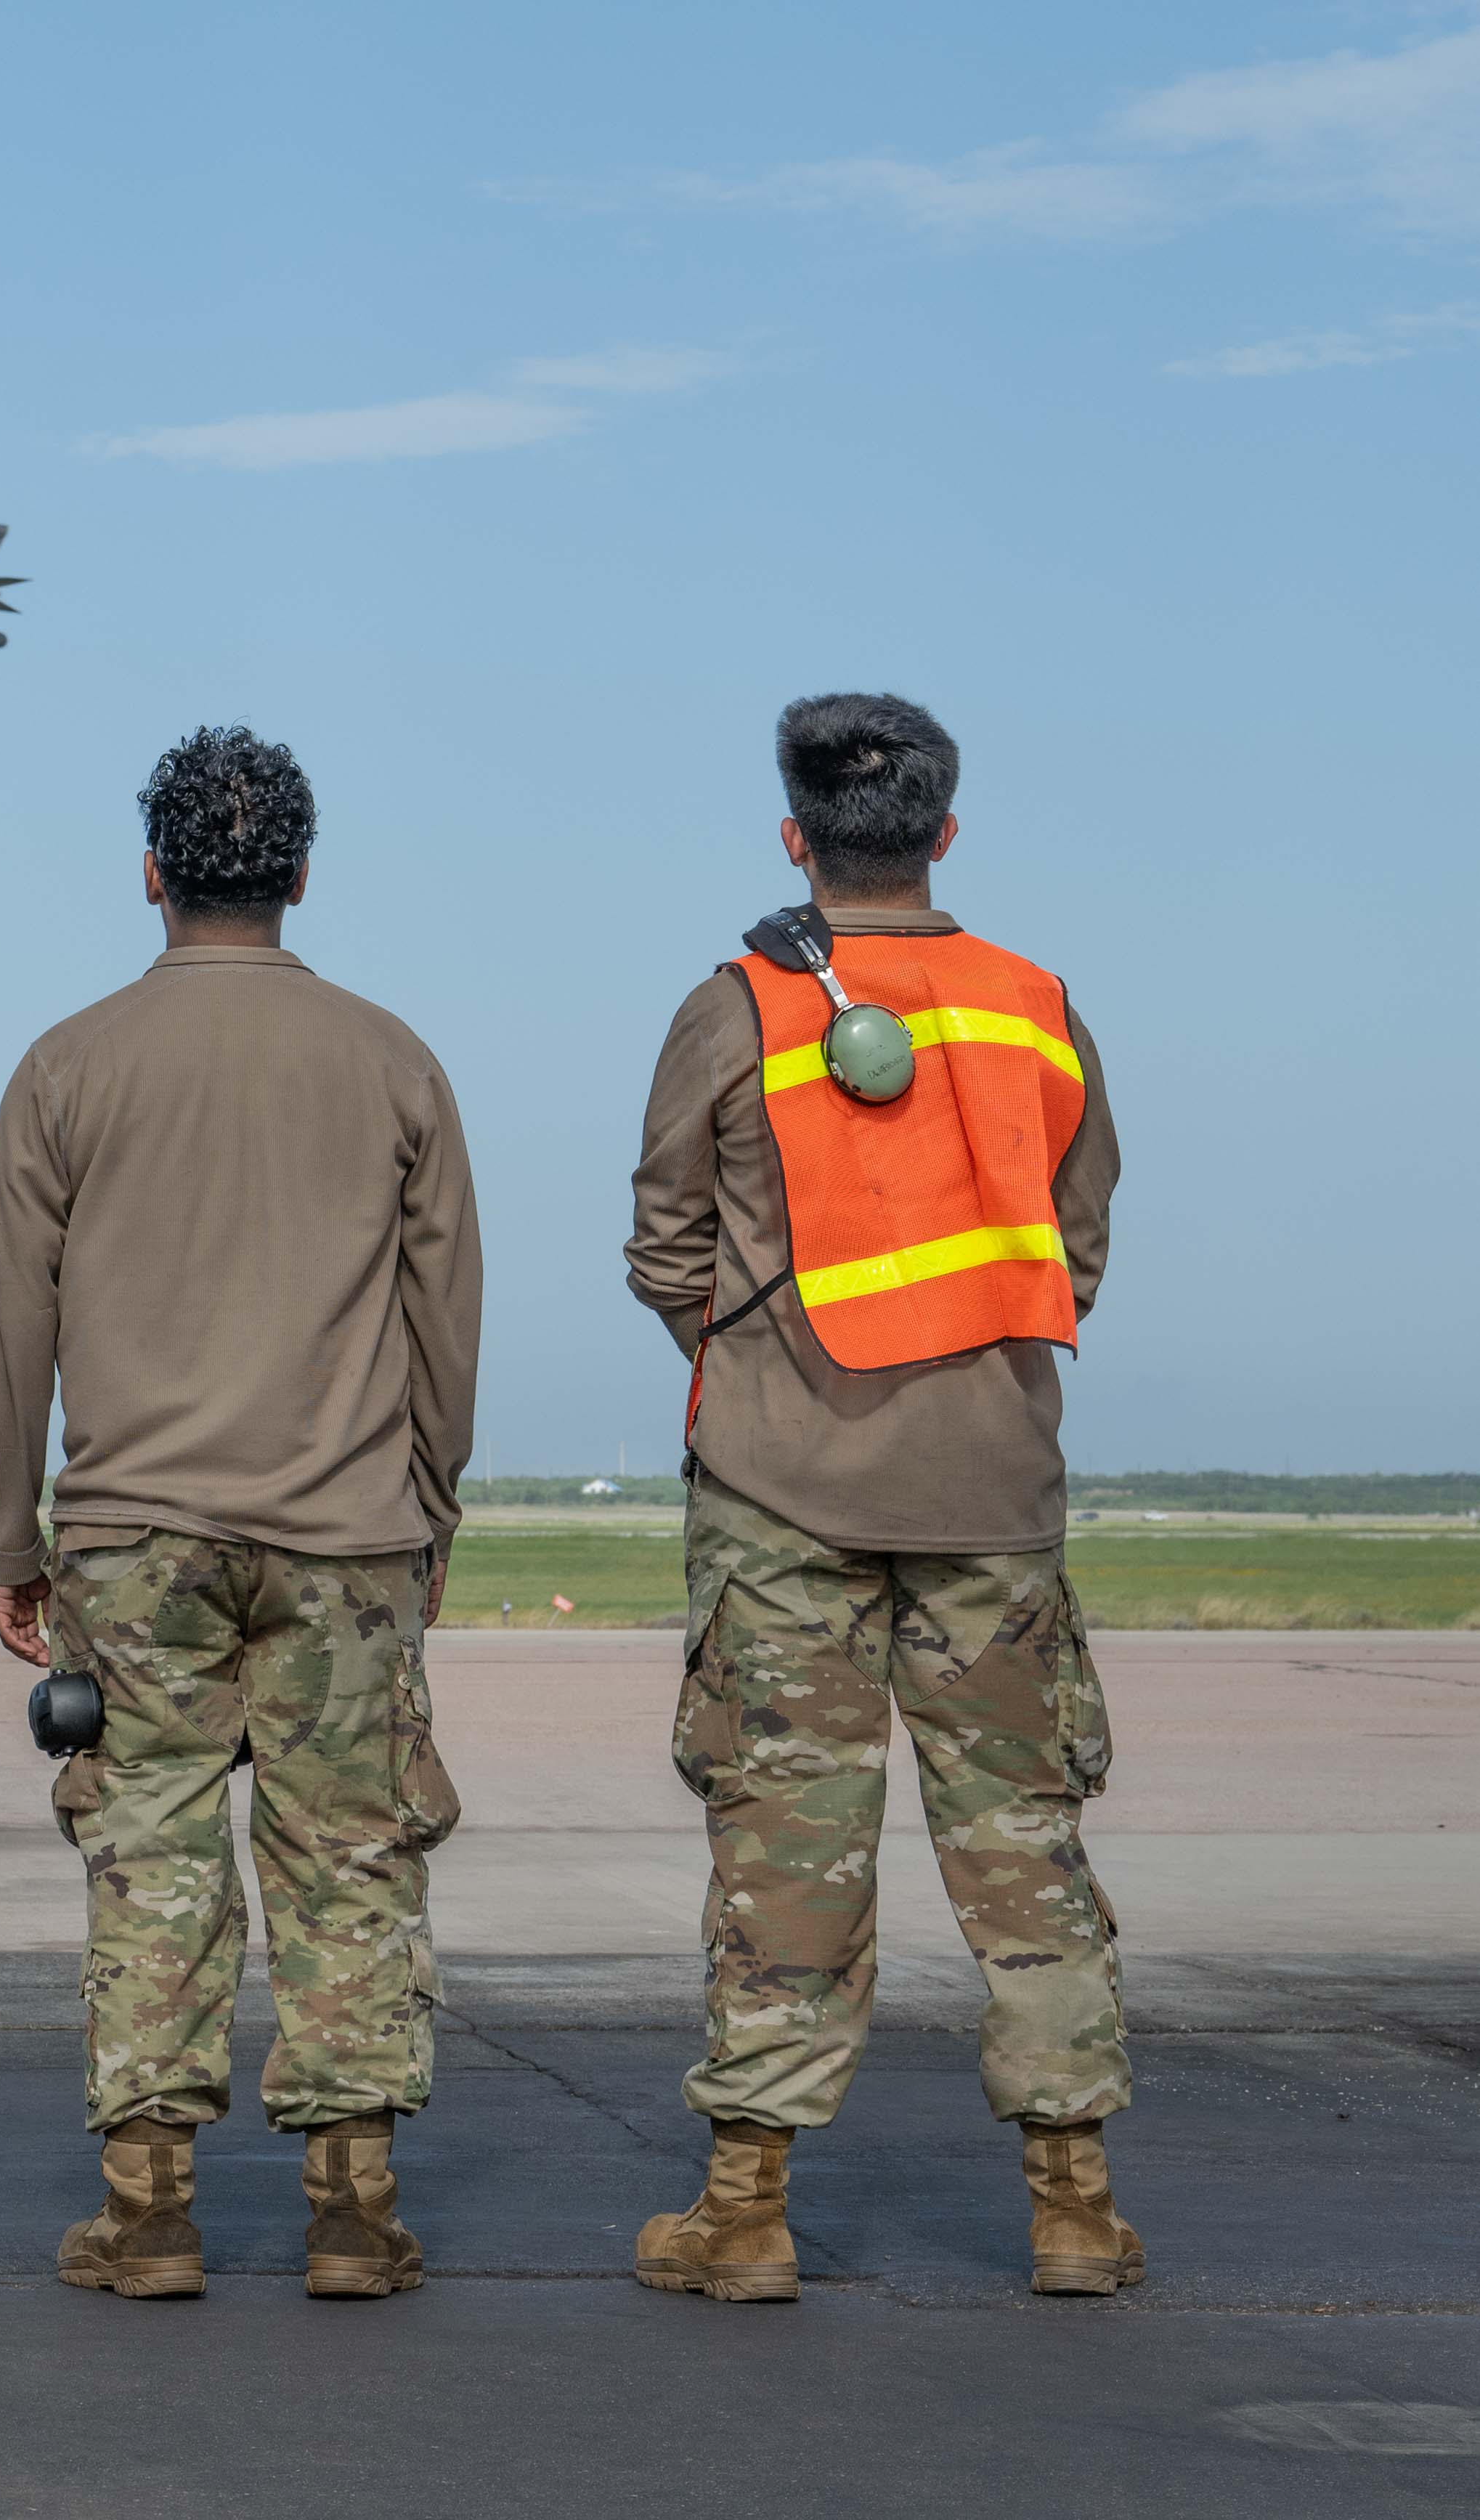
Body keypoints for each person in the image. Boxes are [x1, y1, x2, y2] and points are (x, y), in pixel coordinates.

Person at [623, 693, 1131, 2303]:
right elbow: (1078, 1245)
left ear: (794, 836)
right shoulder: (1033, 1006)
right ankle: (1069, 2208)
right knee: (1022, 1847)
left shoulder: (737, 1005)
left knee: (783, 1845)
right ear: (942, 833)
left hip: (782, 1493)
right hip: (992, 1489)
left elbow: (663, 1247)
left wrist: (765, 1375)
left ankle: (746, 2211)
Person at [0, 725, 479, 2305]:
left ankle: (150, 2213)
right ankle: (350, 2213)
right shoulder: (393, 1058)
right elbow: (442, 1319)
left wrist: (14, 1541)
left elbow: (11, 1324)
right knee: (350, 1859)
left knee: (152, 1858)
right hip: (346, 1532)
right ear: (300, 877)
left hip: (128, 1537)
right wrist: (428, 1517)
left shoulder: (64, 1064)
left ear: (150, 874)